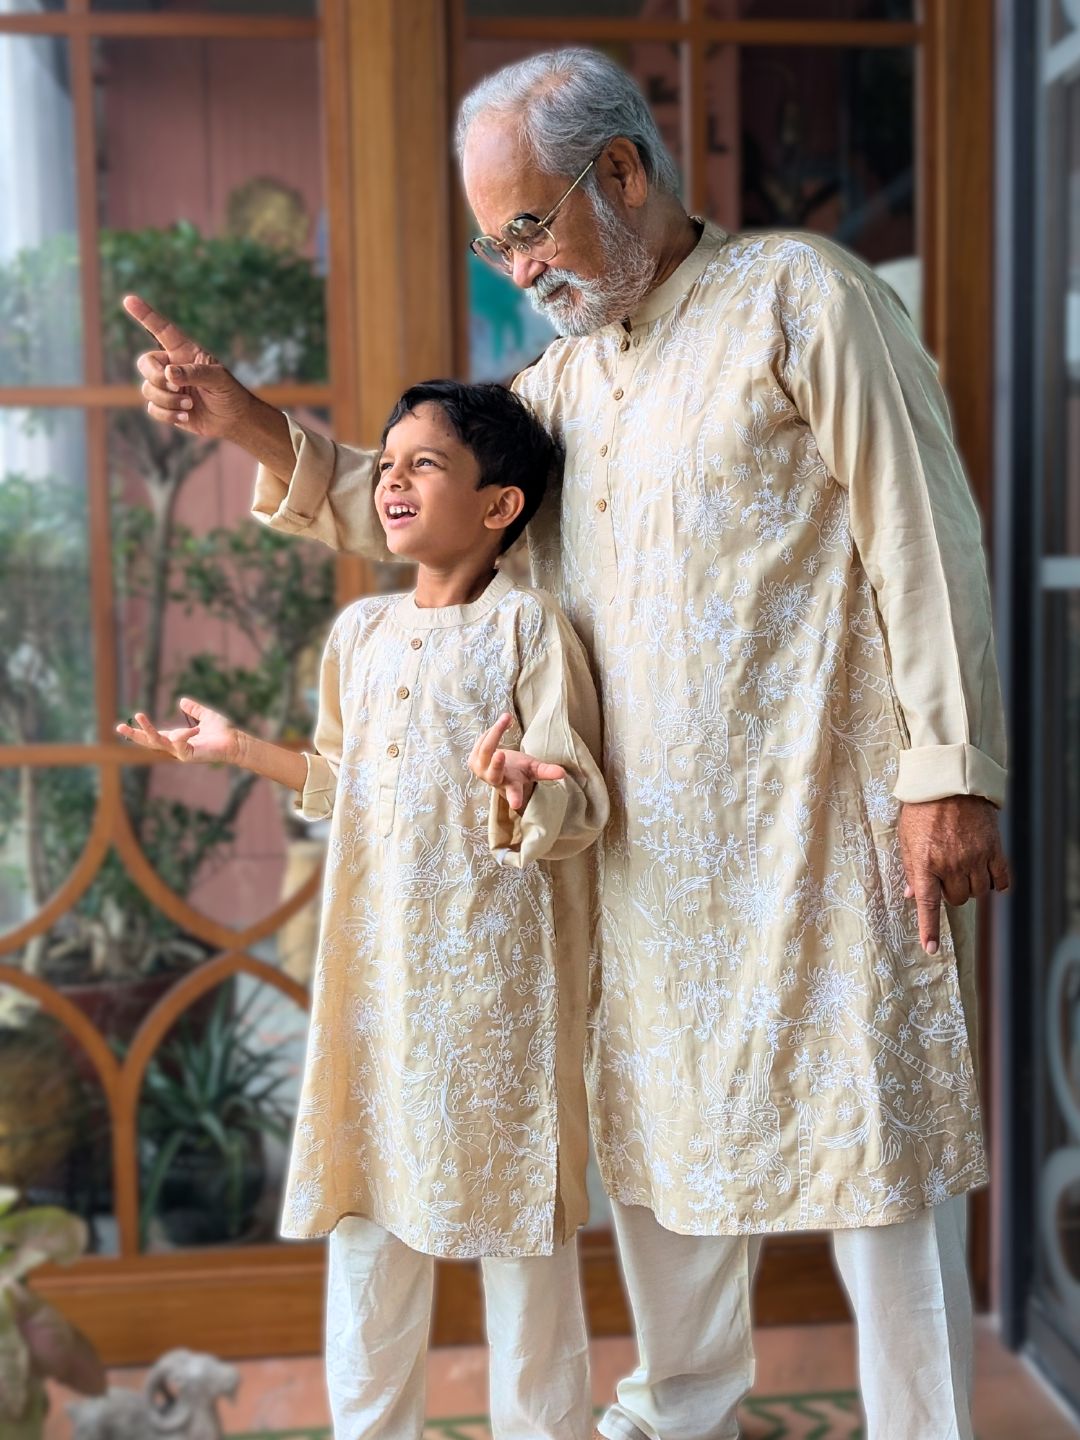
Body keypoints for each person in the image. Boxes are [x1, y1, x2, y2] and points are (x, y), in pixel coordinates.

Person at [126, 47, 1011, 1440]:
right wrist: (247, 422)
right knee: (664, 1169)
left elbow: (925, 530)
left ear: (620, 171)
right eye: (498, 245)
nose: (521, 268)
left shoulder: (803, 299)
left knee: (878, 1173)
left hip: (822, 834)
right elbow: (415, 498)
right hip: (641, 862)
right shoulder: (563, 391)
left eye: (528, 226)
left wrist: (949, 774)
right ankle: (687, 1416)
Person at [117, 379, 609, 1440]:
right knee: (369, 1230)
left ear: (499, 506)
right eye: (385, 463)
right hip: (376, 988)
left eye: (423, 464)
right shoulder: (362, 633)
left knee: (522, 1239)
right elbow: (351, 786)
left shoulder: (531, 628)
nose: (390, 480)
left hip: (497, 1001)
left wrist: (530, 786)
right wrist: (240, 750)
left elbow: (581, 794)